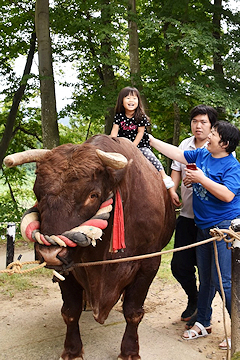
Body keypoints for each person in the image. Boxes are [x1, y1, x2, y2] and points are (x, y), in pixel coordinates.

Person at [149, 121, 240, 344]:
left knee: (223, 281)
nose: (209, 136)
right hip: (203, 227)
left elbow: (227, 195)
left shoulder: (232, 166)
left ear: (225, 143)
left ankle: (238, 331)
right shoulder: (202, 155)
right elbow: (178, 155)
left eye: (215, 134)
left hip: (224, 230)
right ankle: (203, 322)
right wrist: (149, 140)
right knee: (206, 279)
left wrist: (201, 179)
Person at [169, 105, 218, 327]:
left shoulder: (220, 147)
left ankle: (203, 312)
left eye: (203, 122)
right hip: (187, 215)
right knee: (179, 265)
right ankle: (194, 298)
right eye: (195, 121)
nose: (198, 126)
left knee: (208, 269)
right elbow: (177, 168)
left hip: (211, 221)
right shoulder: (185, 145)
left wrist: (198, 178)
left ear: (212, 126)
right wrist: (172, 189)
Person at [110, 87, 174, 190]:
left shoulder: (140, 116)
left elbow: (140, 133)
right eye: (128, 98)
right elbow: (114, 131)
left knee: (150, 156)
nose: (131, 100)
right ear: (121, 101)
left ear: (138, 101)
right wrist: (112, 143)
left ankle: (163, 176)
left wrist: (132, 146)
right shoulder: (119, 116)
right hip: (123, 144)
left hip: (139, 145)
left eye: (134, 98)